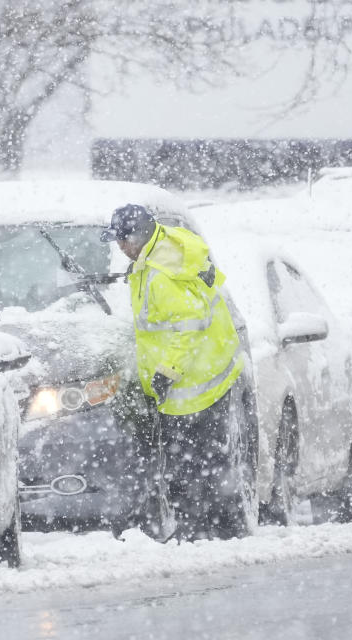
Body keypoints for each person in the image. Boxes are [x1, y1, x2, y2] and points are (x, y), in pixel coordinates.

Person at [100, 204, 249, 541]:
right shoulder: (169, 245)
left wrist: (166, 372)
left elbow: (188, 326)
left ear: (138, 237)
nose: (119, 247)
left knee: (188, 464)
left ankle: (197, 530)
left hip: (193, 381)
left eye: (122, 240)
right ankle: (217, 527)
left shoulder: (160, 275)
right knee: (208, 459)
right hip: (214, 364)